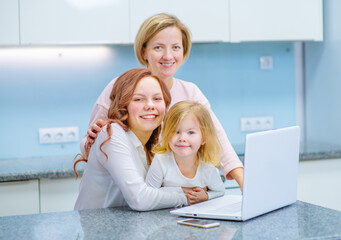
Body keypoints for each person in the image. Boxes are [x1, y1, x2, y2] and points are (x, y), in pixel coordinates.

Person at [81, 13, 244, 190]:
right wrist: (92, 141)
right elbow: (89, 148)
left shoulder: (190, 92)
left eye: (176, 47)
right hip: (121, 196)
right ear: (144, 51)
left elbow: (217, 138)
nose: (168, 56)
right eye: (158, 47)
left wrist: (243, 181)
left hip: (166, 198)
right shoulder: (119, 87)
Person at [73, 68, 188, 211]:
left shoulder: (159, 137)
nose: (150, 105)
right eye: (139, 99)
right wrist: (186, 197)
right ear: (123, 105)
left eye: (157, 99)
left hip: (127, 224)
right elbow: (140, 199)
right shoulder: (112, 134)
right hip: (99, 229)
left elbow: (165, 187)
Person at [146, 101, 225, 205]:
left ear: (204, 138)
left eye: (191, 132)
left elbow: (220, 191)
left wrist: (206, 196)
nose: (182, 138)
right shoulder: (161, 160)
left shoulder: (207, 166)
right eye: (176, 131)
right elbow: (148, 194)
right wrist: (184, 190)